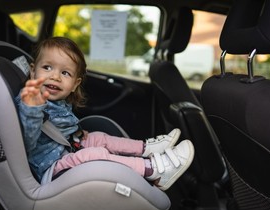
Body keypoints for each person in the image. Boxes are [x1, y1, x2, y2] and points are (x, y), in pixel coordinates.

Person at [15, 37, 194, 191]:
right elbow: (26, 143)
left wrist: (75, 134)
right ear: (32, 71)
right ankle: (153, 171)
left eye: (65, 73)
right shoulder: (30, 102)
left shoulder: (57, 101)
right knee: (94, 153)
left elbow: (58, 127)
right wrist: (31, 109)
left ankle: (146, 149)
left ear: (75, 84)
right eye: (47, 67)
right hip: (48, 170)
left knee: (99, 137)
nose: (55, 76)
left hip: (65, 149)